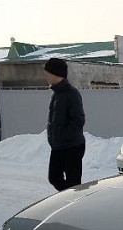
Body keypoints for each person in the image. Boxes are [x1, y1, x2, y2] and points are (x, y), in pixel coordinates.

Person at [44, 57, 86, 191]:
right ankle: (69, 200)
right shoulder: (56, 93)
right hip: (58, 146)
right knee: (54, 177)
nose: (46, 76)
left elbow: (78, 120)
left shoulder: (71, 93)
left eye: (48, 73)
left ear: (56, 74)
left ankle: (75, 205)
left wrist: (63, 135)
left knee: (74, 184)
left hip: (72, 146)